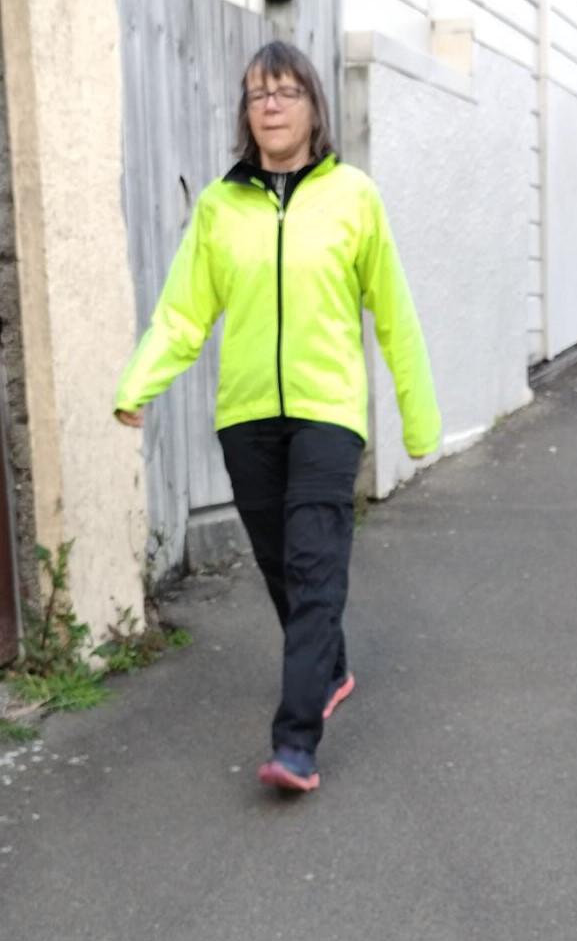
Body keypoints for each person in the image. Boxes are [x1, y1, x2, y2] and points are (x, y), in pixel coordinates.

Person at [114, 41, 441, 793]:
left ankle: (296, 741)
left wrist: (418, 420)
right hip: (249, 415)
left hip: (328, 412)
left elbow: (395, 313)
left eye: (286, 91)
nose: (271, 105)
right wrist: (139, 383)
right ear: (246, 111)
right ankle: (330, 667)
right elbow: (183, 312)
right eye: (258, 93)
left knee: (313, 562)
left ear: (312, 107)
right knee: (278, 562)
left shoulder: (354, 197)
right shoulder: (219, 206)